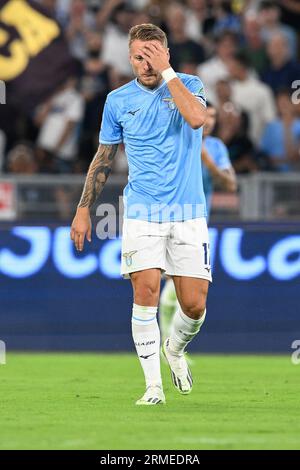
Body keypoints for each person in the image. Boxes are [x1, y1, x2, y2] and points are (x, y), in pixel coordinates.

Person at [71, 23, 209, 405]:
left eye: (152, 55)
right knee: (145, 290)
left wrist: (168, 73)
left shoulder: (190, 84)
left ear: (165, 54)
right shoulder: (117, 100)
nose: (145, 63)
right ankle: (153, 387)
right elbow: (104, 158)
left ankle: (175, 350)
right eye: (138, 57)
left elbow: (197, 119)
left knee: (194, 306)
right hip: (142, 211)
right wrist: (83, 210)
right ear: (129, 58)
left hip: (188, 212)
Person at [159, 102, 237, 344]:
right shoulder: (176, 138)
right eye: (206, 115)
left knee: (185, 289)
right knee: (171, 284)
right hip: (167, 221)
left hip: (197, 225)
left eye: (214, 116)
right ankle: (167, 345)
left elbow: (231, 185)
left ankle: (170, 344)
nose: (210, 121)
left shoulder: (215, 147)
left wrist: (207, 161)